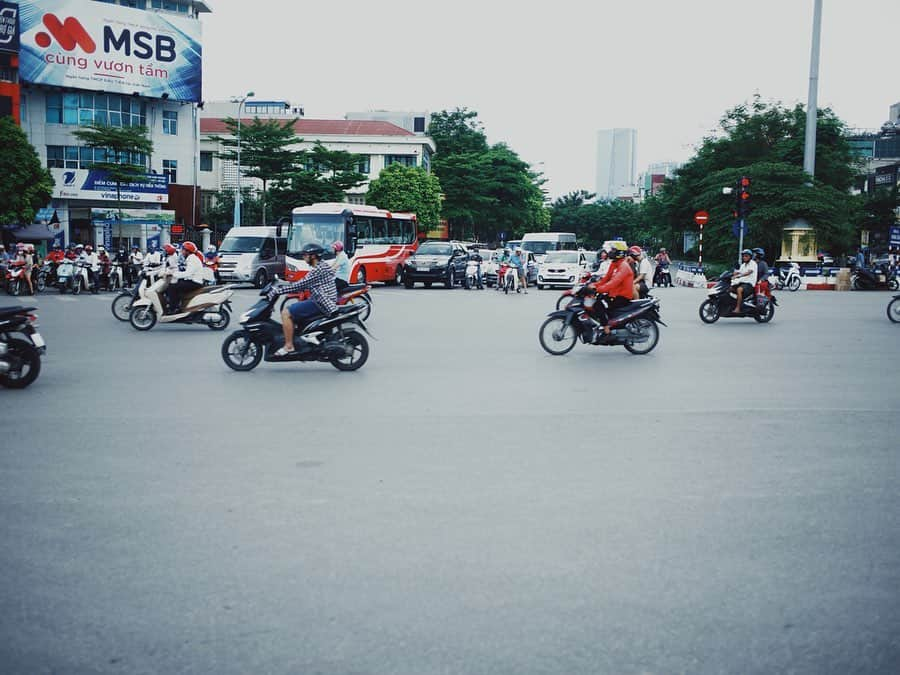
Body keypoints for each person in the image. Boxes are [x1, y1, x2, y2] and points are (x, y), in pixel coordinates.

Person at [267, 243, 337, 357]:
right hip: (320, 299)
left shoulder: (318, 269)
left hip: (321, 302)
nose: (304, 257)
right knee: (297, 308)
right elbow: (305, 283)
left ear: (313, 256)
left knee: (286, 313)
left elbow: (301, 284)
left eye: (305, 255)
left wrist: (277, 291)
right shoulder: (321, 266)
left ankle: (289, 346)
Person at [591, 241, 634, 340]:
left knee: (598, 305)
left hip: (622, 297)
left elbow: (614, 282)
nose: (610, 252)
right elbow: (606, 279)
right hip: (614, 294)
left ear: (620, 253)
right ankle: (604, 323)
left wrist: (598, 289)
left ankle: (607, 330)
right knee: (597, 300)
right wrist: (593, 285)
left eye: (613, 250)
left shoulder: (624, 266)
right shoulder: (614, 264)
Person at [167, 242, 204, 313]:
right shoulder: (190, 258)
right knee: (176, 284)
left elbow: (188, 273)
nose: (181, 251)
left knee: (172, 287)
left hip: (195, 282)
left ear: (187, 251)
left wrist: (174, 274)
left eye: (183, 250)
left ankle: (173, 308)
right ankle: (178, 305)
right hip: (192, 280)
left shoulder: (192, 259)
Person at [731, 249, 758, 313]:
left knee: (739, 289)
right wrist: (732, 274)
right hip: (742, 283)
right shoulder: (743, 265)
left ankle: (738, 308)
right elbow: (738, 272)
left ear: (750, 257)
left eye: (746, 256)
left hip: (749, 284)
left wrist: (739, 276)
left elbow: (748, 272)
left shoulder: (753, 263)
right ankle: (732, 304)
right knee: (729, 288)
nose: (744, 257)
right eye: (743, 256)